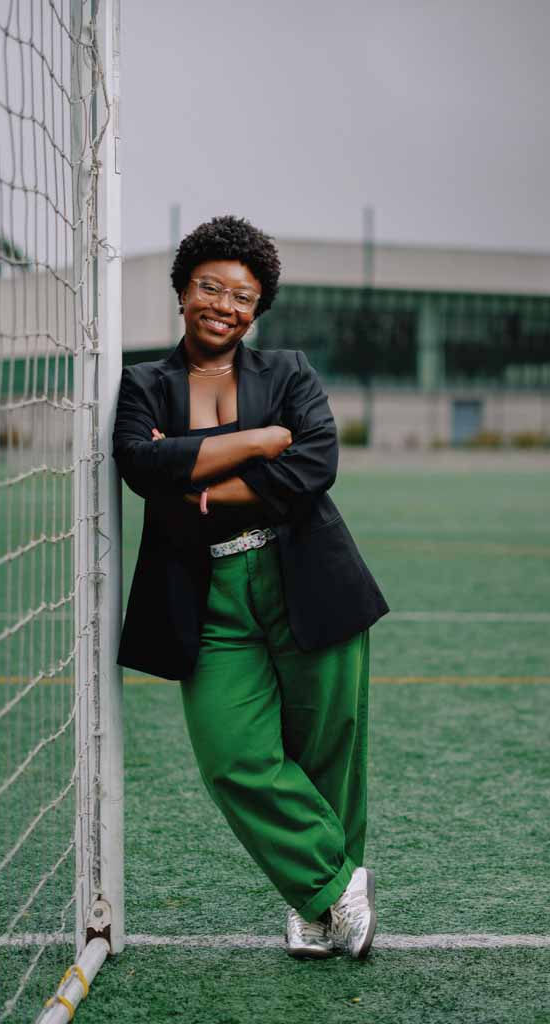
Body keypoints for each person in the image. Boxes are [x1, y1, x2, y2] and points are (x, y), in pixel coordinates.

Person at [111, 215, 390, 959]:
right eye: (211, 286)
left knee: (328, 748)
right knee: (234, 756)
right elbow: (142, 465)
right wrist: (260, 442)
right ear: (182, 289)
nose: (225, 305)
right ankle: (332, 887)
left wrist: (202, 478)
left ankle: (312, 908)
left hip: (306, 576)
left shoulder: (290, 373)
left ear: (257, 310)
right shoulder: (143, 384)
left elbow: (313, 468)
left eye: (244, 296)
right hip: (203, 597)